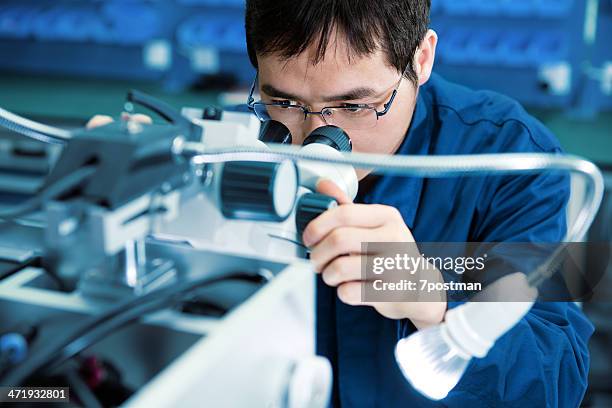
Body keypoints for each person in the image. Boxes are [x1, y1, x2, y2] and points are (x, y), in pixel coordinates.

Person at [89, 1, 592, 406]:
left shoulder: (516, 160)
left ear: (421, 58)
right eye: (283, 102)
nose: (315, 138)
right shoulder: (232, 144)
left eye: (354, 106)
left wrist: (432, 300)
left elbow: (559, 380)